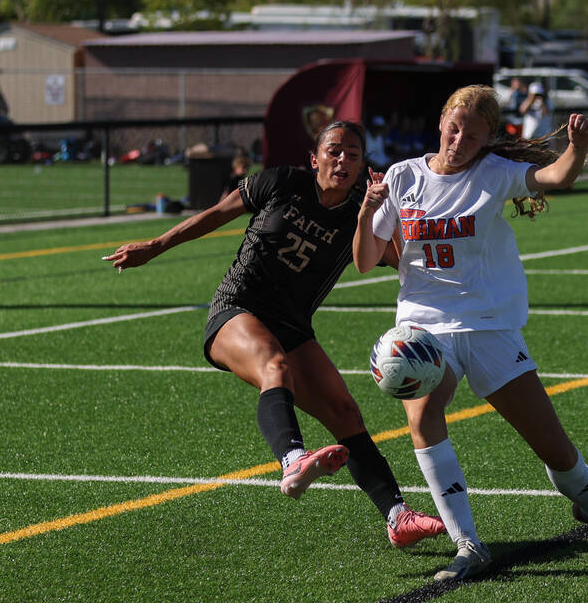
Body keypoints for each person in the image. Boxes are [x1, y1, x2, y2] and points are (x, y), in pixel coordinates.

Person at [352, 85, 588, 582]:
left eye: (473, 133)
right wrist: (367, 209)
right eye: (454, 126)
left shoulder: (494, 174)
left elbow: (555, 176)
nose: (459, 139)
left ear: (489, 137)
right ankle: (467, 544)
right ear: (441, 121)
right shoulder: (404, 176)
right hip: (424, 326)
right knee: (424, 415)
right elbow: (364, 260)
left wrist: (576, 149)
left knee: (551, 445)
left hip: (490, 324)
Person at [103, 121, 447, 549]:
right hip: (237, 308)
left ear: (363, 166)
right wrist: (154, 246)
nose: (342, 160)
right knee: (274, 366)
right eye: (334, 151)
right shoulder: (281, 181)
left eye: (353, 155)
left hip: (293, 323)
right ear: (314, 157)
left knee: (345, 412)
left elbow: (397, 258)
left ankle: (397, 516)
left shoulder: (363, 208)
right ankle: (292, 461)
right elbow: (216, 214)